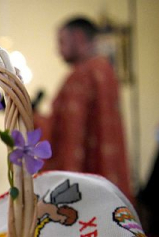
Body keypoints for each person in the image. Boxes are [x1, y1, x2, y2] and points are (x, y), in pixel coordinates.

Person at [34, 17, 133, 199]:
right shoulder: (106, 70)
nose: (58, 50)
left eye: (61, 42)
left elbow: (65, 134)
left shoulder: (81, 75)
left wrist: (30, 116)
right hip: (109, 182)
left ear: (78, 38)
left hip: (84, 187)